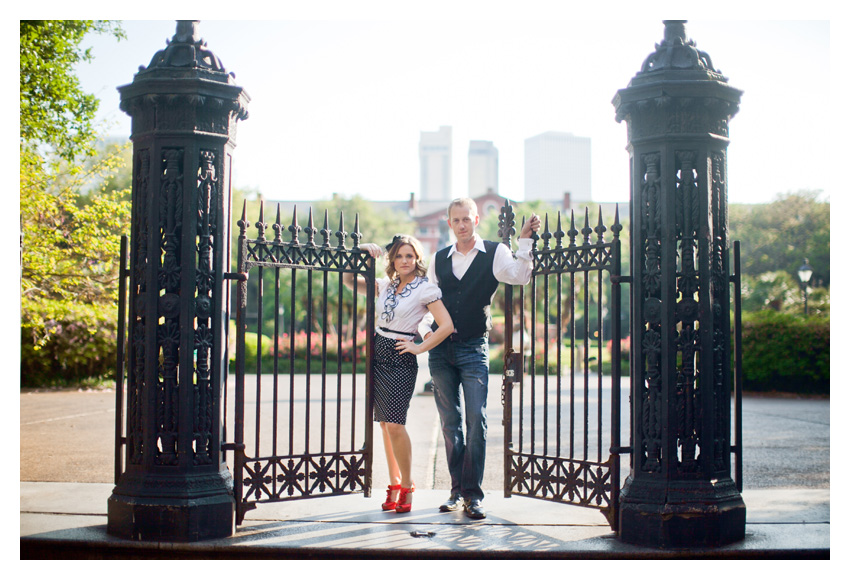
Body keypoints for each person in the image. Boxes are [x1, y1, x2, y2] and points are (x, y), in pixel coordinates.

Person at [419, 198, 540, 519]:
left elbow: (519, 276)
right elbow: (427, 299)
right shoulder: (439, 258)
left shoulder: (494, 252)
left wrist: (524, 241)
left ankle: (473, 495)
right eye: (455, 220)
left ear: (475, 219)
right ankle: (456, 491)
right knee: (449, 424)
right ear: (449, 223)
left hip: (473, 347)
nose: (462, 225)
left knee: (477, 422)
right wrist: (424, 334)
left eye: (466, 219)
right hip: (440, 351)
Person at [353, 234, 454, 514]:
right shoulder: (387, 286)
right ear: (392, 260)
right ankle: (394, 483)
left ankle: (408, 485)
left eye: (409, 256)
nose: (404, 261)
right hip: (378, 351)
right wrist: (363, 251)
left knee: (395, 424)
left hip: (400, 355)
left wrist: (419, 348)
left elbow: (445, 325)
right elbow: (350, 281)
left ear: (417, 259)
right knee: (385, 425)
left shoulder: (425, 289)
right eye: (399, 256)